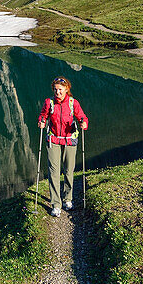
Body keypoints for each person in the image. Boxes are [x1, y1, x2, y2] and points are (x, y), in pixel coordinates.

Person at [37, 76, 88, 216]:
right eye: (55, 89)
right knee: (53, 171)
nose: (57, 92)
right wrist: (41, 121)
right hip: (53, 140)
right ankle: (56, 205)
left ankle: (68, 199)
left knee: (69, 170)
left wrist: (84, 123)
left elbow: (82, 116)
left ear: (66, 89)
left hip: (69, 140)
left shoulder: (73, 103)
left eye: (60, 89)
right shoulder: (49, 102)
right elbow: (43, 115)